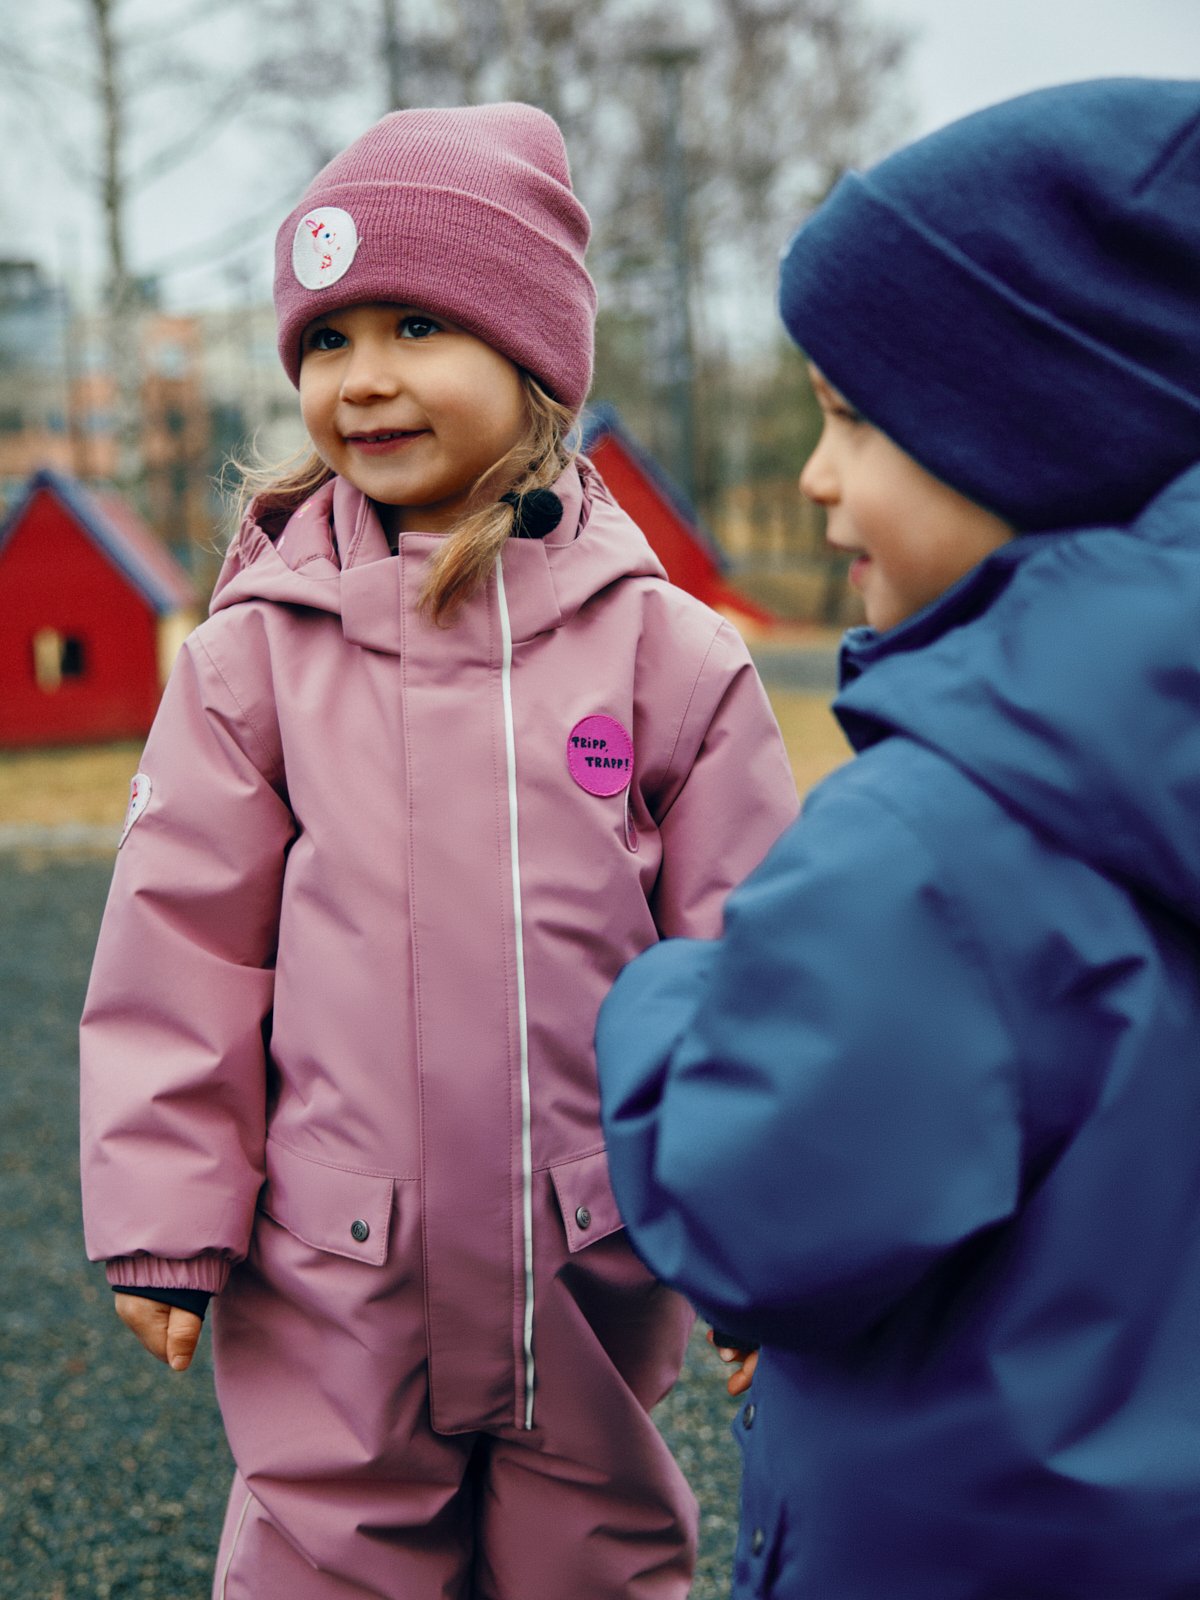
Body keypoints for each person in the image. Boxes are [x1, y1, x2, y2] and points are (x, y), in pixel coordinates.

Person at [79, 102, 798, 1600]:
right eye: (327, 341)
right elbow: (182, 946)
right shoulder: (253, 660)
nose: (367, 378)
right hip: (340, 1261)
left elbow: (753, 963)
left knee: (598, 1557)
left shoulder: (669, 654)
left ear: (533, 358)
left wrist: (763, 1230)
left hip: (581, 1256)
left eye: (416, 324)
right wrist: (165, 1210)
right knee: (324, 1558)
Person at [596, 77, 1200, 1600]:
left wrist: (666, 997)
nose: (813, 478)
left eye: (854, 418)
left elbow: (744, 1206)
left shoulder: (951, 837)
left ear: (1045, 436)